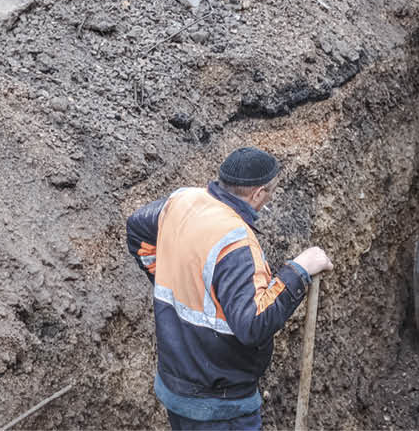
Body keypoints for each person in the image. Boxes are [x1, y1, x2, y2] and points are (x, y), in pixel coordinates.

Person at [127, 147, 333, 430]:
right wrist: (300, 269)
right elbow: (254, 324)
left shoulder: (182, 201)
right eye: (270, 193)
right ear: (258, 194)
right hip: (219, 404)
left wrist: (169, 277)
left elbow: (137, 228)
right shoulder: (234, 242)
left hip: (175, 385)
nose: (269, 200)